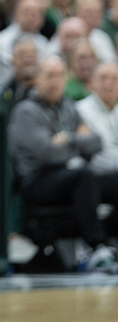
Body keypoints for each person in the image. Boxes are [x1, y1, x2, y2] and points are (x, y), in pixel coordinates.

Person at [8, 55, 118, 271]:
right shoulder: (25, 111)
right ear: (37, 79)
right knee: (83, 176)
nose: (55, 82)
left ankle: (112, 240)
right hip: (37, 181)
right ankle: (97, 247)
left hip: (68, 176)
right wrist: (77, 140)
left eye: (59, 76)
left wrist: (66, 139)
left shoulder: (68, 107)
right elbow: (48, 153)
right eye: (49, 76)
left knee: (114, 181)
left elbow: (96, 142)